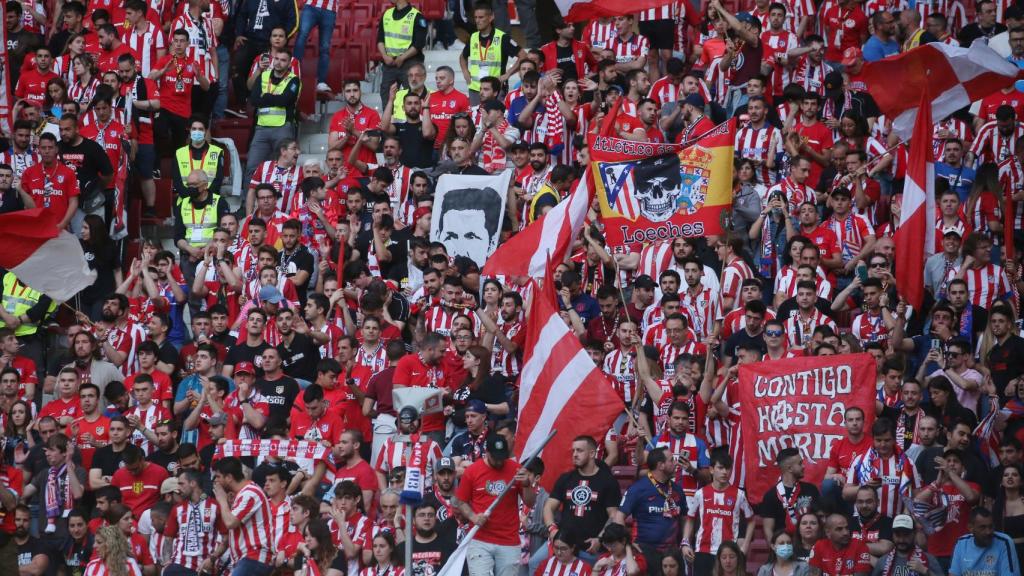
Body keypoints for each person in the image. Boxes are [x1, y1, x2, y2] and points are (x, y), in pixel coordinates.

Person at [453, 434, 535, 576]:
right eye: (495, 457)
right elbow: (460, 501)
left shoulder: (517, 469)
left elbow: (530, 502)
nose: (499, 461)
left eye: (502, 457)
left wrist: (527, 485)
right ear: (487, 452)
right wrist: (473, 516)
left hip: (509, 539)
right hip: (480, 539)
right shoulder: (473, 471)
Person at [212, 457, 275, 575]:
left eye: (219, 477)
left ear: (229, 477)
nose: (216, 481)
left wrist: (222, 500)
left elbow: (230, 523)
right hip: (247, 559)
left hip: (254, 557)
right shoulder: (242, 494)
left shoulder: (250, 493)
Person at [949, 507, 1021, 576]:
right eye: (982, 527)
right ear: (970, 528)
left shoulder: (1004, 542)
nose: (988, 532)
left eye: (991, 526)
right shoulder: (961, 543)